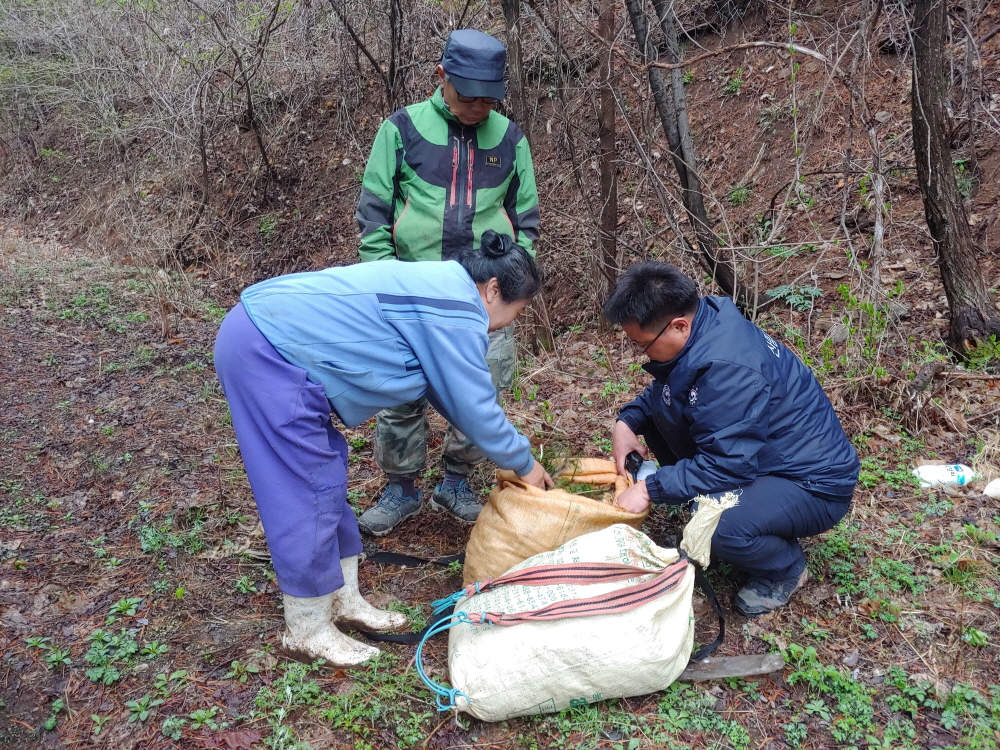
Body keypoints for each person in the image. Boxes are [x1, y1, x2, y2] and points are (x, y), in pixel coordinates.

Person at [214, 231, 553, 666]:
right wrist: (524, 464)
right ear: (492, 290)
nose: (510, 322)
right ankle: (306, 628)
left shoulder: (442, 288)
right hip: (264, 350)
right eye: (516, 310)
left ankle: (342, 599)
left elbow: (448, 393)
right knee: (304, 487)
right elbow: (474, 406)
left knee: (327, 473)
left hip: (268, 334)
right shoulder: (457, 310)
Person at [355, 28, 540, 535]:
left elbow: (527, 222)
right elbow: (374, 214)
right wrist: (382, 282)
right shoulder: (401, 129)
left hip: (486, 298)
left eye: (488, 98)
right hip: (411, 295)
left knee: (484, 390)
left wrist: (514, 282)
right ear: (442, 77)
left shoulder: (509, 138)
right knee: (400, 393)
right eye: (467, 95)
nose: (478, 107)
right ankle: (401, 488)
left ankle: (456, 480)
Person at [604, 262, 860, 617]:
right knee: (667, 426)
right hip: (767, 461)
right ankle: (748, 511)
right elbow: (668, 392)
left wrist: (650, 489)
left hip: (813, 484)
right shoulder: (703, 327)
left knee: (718, 526)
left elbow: (728, 463)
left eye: (643, 345)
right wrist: (626, 422)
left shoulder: (728, 367)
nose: (641, 354)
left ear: (679, 326)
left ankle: (786, 569)